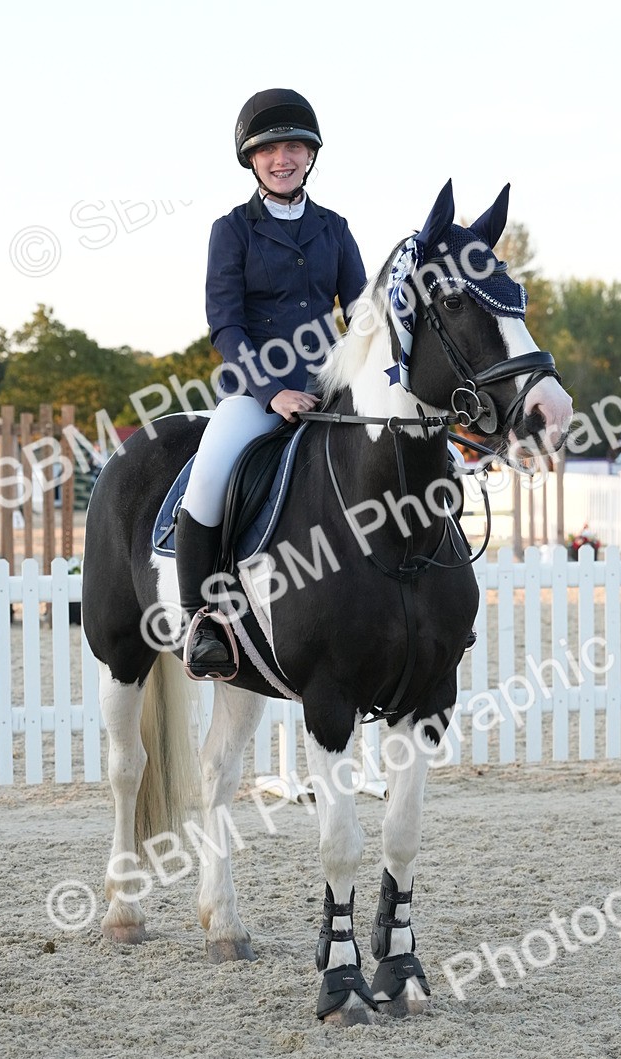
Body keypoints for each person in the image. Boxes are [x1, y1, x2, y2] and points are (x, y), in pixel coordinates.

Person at [176, 88, 367, 676]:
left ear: (310, 155)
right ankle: (201, 618)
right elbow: (225, 326)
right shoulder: (231, 230)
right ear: (252, 161)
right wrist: (270, 392)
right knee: (206, 478)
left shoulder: (334, 229)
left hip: (332, 386)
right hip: (258, 390)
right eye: (269, 151)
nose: (282, 159)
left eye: (293, 147)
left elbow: (361, 312)